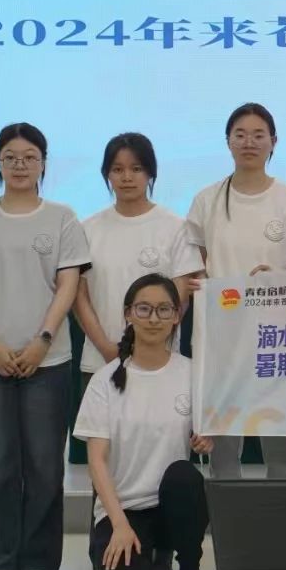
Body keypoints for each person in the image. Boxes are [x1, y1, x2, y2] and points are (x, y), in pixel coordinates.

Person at [0, 122, 91, 570]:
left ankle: (38, 563)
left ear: (44, 163)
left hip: (48, 362)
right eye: (10, 157)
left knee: (45, 465)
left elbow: (68, 285)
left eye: (30, 157)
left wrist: (43, 339)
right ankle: (3, 563)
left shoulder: (62, 217)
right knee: (1, 465)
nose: (20, 165)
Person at [184, 103, 286, 570]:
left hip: (278, 342)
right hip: (222, 342)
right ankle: (232, 557)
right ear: (228, 141)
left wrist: (277, 279)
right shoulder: (207, 200)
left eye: (259, 134)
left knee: (281, 455)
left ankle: (280, 553)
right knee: (224, 455)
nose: (250, 141)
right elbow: (191, 264)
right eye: (240, 133)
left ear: (274, 142)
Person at [73, 274, 214, 570]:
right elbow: (97, 461)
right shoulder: (104, 381)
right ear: (128, 314)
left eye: (164, 309)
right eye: (144, 309)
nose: (154, 318)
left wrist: (206, 439)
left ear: (177, 316)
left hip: (169, 507)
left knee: (185, 476)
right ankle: (141, 558)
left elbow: (208, 433)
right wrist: (119, 524)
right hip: (125, 510)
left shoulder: (192, 373)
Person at [75, 133, 203, 384]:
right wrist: (106, 348)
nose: (126, 177)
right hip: (100, 361)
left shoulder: (176, 227)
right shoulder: (87, 229)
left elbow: (180, 295)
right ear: (107, 174)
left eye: (136, 169)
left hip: (160, 361)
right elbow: (80, 297)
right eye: (117, 169)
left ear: (150, 173)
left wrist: (146, 348)